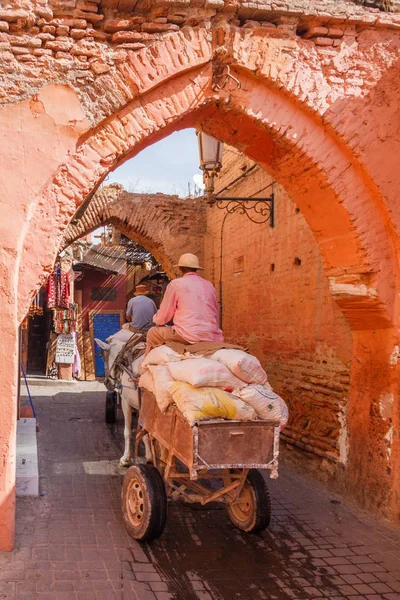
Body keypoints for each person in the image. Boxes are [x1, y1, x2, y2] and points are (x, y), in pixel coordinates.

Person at [145, 253, 224, 354]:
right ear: (196, 269)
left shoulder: (176, 284)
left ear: (180, 269)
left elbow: (164, 316)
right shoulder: (209, 285)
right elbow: (215, 312)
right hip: (212, 335)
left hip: (188, 335)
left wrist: (156, 319)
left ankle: (146, 366)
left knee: (152, 333)